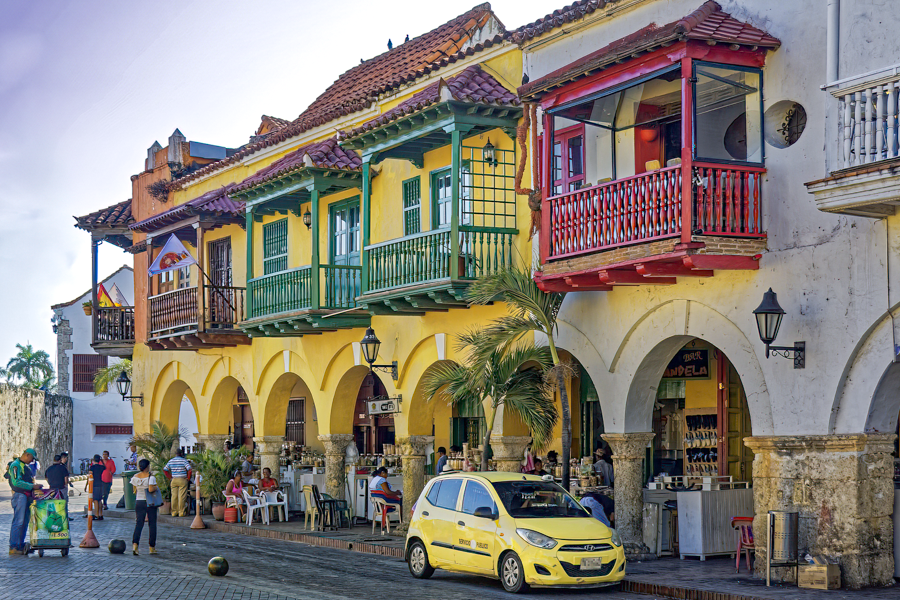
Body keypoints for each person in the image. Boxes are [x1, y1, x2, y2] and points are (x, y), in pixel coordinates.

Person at [7, 448, 42, 554]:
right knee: (18, 521)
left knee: (25, 522)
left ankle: (20, 544)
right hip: (20, 496)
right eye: (32, 458)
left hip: (26, 496)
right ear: (27, 455)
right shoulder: (16, 465)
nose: (32, 461)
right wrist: (32, 486)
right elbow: (16, 482)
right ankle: (14, 546)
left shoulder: (25, 466)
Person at [130, 459, 158, 555]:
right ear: (147, 467)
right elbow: (151, 489)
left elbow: (134, 490)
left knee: (139, 523)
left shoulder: (135, 477)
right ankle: (151, 547)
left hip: (139, 501)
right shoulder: (151, 477)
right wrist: (156, 487)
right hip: (149, 502)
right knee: (152, 524)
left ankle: (135, 544)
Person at [163, 449, 192, 517]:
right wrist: (188, 478)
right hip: (182, 479)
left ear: (175, 453)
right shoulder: (184, 460)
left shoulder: (171, 461)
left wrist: (170, 477)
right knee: (182, 496)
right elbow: (189, 469)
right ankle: (181, 512)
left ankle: (174, 512)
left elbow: (165, 470)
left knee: (174, 496)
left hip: (174, 479)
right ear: (181, 453)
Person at [86, 454, 105, 519]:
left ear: (93, 460)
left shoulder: (92, 467)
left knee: (95, 500)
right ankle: (100, 514)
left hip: (94, 484)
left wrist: (86, 485)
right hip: (100, 484)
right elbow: (104, 467)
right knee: (100, 500)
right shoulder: (101, 467)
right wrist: (102, 461)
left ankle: (96, 514)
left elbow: (90, 476)